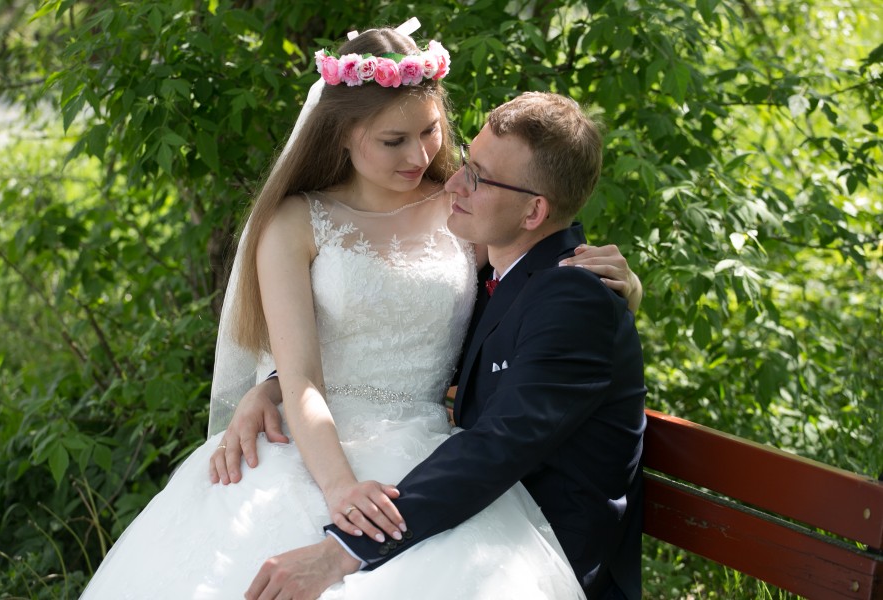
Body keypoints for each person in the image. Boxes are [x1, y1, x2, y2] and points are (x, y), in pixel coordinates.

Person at [80, 20, 641, 599]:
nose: (421, 155)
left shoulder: (460, 211)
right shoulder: (295, 222)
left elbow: (522, 305)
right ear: (342, 134)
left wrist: (623, 291)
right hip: (314, 446)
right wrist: (318, 455)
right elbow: (304, 374)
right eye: (393, 141)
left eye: (430, 131)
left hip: (427, 445)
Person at [243, 92, 646, 600]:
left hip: (545, 545)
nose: (451, 181)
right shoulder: (514, 276)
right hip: (454, 487)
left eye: (477, 176)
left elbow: (499, 444)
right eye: (465, 163)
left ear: (534, 211)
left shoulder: (572, 298)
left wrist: (345, 548)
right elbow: (403, 334)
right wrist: (276, 384)